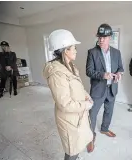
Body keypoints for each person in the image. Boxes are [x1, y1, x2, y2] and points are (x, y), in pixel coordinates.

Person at [43, 29, 93, 160]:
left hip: (77, 115)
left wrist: (86, 95)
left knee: (77, 144)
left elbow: (78, 86)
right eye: (74, 48)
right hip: (69, 119)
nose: (76, 51)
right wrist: (86, 105)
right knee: (71, 150)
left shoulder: (70, 66)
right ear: (65, 50)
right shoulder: (57, 73)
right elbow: (65, 104)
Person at [86, 23, 124, 152]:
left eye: (104, 37)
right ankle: (90, 137)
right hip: (98, 89)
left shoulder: (116, 52)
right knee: (92, 113)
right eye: (99, 37)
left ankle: (104, 129)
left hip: (112, 88)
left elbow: (120, 67)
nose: (101, 40)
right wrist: (103, 75)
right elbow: (89, 71)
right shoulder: (92, 52)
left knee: (109, 110)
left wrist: (119, 73)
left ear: (110, 38)